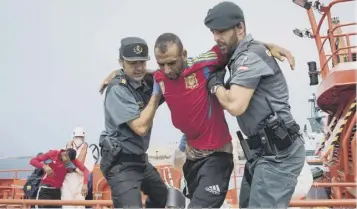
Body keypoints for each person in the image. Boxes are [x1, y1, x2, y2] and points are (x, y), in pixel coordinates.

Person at [100, 33, 295, 208]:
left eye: (171, 63)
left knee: (183, 203)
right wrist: (122, 75)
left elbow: (234, 45)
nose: (166, 70)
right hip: (179, 160)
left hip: (217, 155)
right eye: (161, 65)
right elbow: (141, 113)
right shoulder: (152, 80)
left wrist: (266, 46)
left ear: (183, 55)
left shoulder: (201, 66)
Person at [204, 1, 306, 208]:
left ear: (240, 27)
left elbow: (234, 105)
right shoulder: (243, 53)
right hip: (262, 153)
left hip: (279, 155)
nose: (216, 38)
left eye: (221, 31)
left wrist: (215, 85)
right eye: (214, 32)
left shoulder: (249, 57)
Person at [99, 37, 168, 208]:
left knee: (162, 196)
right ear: (121, 62)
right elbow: (141, 127)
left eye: (142, 62)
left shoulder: (145, 81)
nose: (138, 68)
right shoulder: (118, 90)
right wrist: (156, 94)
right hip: (120, 163)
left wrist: (155, 75)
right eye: (132, 63)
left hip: (139, 159)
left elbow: (171, 71)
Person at [61, 127, 95, 209]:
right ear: (73, 137)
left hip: (80, 181)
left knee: (80, 206)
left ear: (84, 138)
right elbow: (61, 164)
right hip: (67, 181)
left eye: (80, 137)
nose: (78, 139)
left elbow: (88, 169)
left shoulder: (88, 151)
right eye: (77, 137)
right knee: (67, 206)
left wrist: (85, 184)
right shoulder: (64, 149)